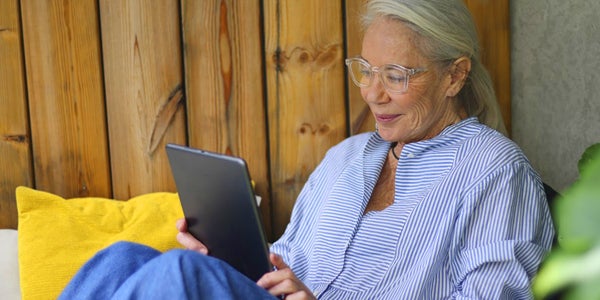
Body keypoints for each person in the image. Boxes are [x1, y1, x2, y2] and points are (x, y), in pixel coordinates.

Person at [60, 0, 554, 299]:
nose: (372, 92)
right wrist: (224, 258)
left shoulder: (495, 171)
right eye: (366, 69)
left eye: (396, 76)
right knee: (119, 259)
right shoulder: (347, 157)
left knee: (178, 276)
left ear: (455, 75)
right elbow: (281, 264)